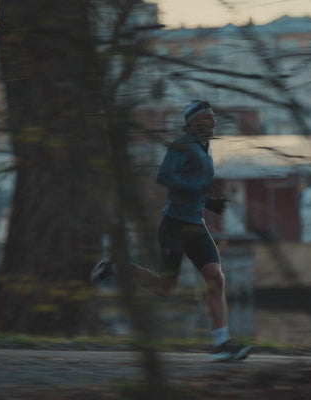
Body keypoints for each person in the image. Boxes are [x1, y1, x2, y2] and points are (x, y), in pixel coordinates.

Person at [92, 100, 251, 362]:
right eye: (207, 117)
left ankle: (222, 344)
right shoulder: (181, 145)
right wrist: (195, 189)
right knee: (165, 287)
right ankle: (117, 266)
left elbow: (194, 186)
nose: (213, 121)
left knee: (216, 278)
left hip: (196, 227)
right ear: (192, 121)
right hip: (174, 227)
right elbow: (164, 176)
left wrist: (210, 203)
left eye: (213, 117)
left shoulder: (204, 148)